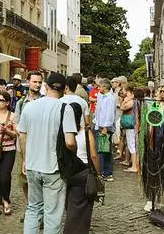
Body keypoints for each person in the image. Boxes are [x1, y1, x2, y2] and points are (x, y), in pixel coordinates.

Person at [18, 72, 77, 234]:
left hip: (32, 165)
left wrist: (25, 158)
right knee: (52, 214)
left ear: (46, 86)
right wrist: (74, 154)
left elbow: (22, 135)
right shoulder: (65, 109)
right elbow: (70, 141)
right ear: (65, 89)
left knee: (33, 208)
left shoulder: (29, 106)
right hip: (54, 168)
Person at [64, 103, 100, 234]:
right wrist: (98, 173)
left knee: (70, 205)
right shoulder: (86, 132)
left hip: (68, 171)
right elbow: (94, 155)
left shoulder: (63, 132)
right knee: (83, 208)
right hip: (84, 170)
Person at [14, 70, 44, 221]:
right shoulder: (21, 103)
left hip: (41, 147)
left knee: (41, 180)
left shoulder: (45, 101)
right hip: (24, 147)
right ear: (28, 82)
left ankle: (41, 212)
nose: (37, 85)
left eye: (40, 82)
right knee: (25, 180)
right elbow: (18, 127)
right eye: (35, 82)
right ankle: (30, 209)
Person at [94, 78, 116, 181]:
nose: (98, 88)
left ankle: (107, 172)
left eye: (99, 86)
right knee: (102, 150)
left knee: (105, 151)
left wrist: (106, 127)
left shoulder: (110, 98)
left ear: (104, 87)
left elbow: (110, 114)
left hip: (105, 127)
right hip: (100, 125)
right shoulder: (101, 96)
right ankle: (104, 171)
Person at [119, 83, 139, 173]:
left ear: (127, 91)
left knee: (132, 145)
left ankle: (134, 166)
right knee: (131, 144)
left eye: (123, 90)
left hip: (131, 125)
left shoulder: (131, 100)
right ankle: (133, 163)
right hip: (130, 125)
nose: (122, 91)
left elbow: (122, 108)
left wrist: (124, 101)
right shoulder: (131, 100)